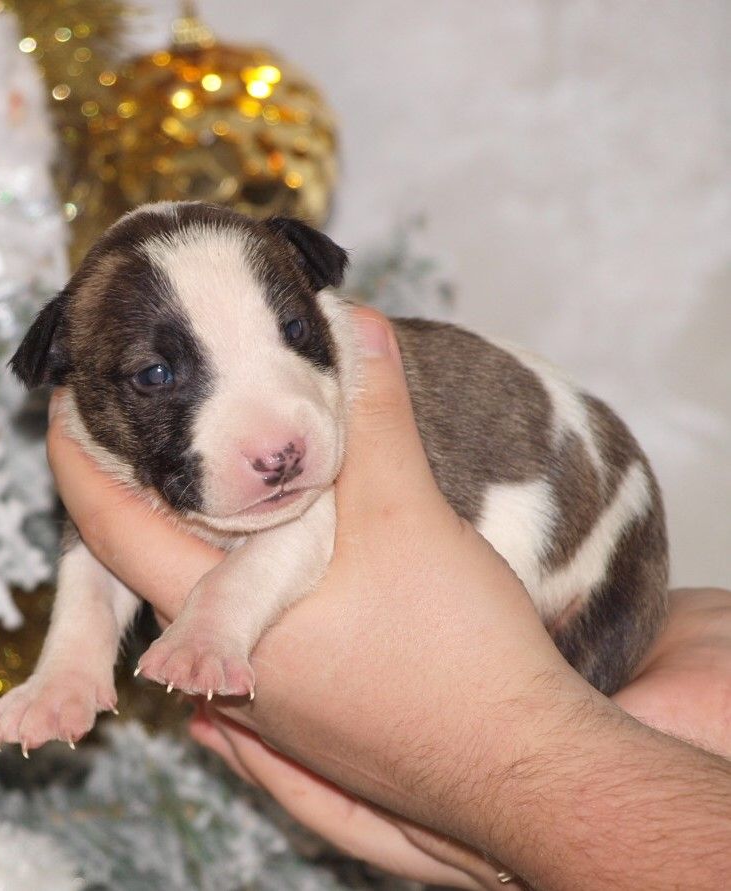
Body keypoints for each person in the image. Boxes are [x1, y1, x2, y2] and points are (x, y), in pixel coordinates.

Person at [46, 307, 731, 890]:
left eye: (289, 333)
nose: (272, 443)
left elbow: (311, 527)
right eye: (156, 376)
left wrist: (524, 776)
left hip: (578, 580)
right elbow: (102, 545)